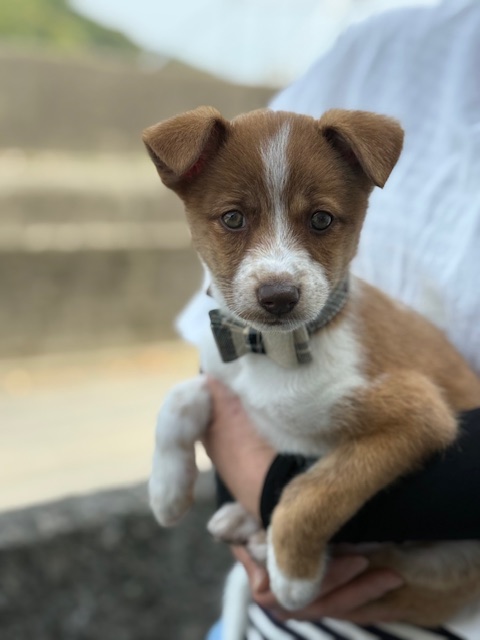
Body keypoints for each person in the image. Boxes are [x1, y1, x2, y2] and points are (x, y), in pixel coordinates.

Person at [175, 0, 480, 637]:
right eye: (235, 220)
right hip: (263, 621)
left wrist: (287, 503)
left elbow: (418, 423)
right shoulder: (380, 44)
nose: (277, 273)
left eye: (319, 221)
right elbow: (224, 356)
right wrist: (246, 494)